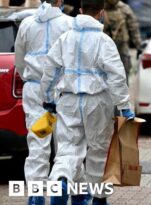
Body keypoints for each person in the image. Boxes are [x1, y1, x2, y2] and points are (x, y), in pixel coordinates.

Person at [40, 0, 135, 204]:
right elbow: (116, 76)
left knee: (68, 148)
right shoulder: (104, 41)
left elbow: (50, 70)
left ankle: (61, 180)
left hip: (69, 101)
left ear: (80, 11)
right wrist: (125, 106)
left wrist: (48, 99)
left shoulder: (64, 39)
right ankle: (99, 199)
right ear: (101, 13)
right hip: (98, 102)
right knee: (98, 151)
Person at [14, 1, 73, 204]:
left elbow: (19, 60)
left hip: (35, 91)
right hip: (62, 91)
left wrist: (30, 79)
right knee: (66, 144)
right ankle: (61, 190)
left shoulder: (27, 23)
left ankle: (36, 196)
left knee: (38, 143)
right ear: (60, 2)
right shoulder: (69, 24)